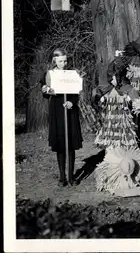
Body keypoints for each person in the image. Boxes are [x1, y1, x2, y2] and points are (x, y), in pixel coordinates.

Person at [40, 48, 83, 187]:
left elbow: (77, 92)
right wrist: (46, 90)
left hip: (69, 110)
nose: (63, 63)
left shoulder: (72, 73)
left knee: (70, 144)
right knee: (60, 144)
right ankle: (62, 177)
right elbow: (45, 92)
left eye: (65, 60)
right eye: (60, 61)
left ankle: (71, 176)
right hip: (57, 110)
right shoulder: (50, 74)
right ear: (54, 61)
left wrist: (72, 101)